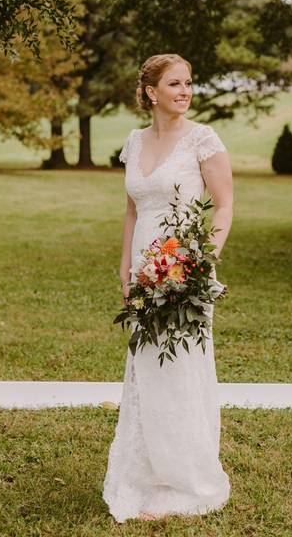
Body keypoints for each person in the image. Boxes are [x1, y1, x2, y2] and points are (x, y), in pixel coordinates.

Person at [102, 54, 234, 523]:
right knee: (146, 368)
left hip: (185, 270)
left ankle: (186, 478)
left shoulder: (203, 140)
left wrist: (200, 263)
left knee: (181, 369)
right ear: (151, 92)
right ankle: (147, 472)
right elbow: (133, 210)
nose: (185, 91)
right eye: (175, 84)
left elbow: (223, 207)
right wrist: (125, 267)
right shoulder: (135, 142)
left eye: (189, 83)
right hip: (143, 270)